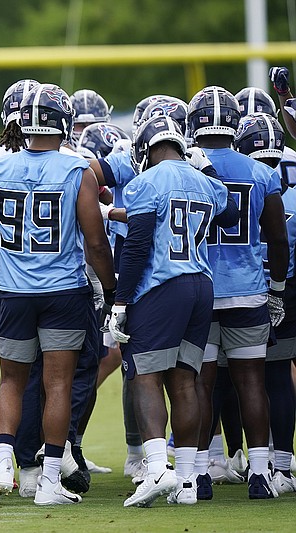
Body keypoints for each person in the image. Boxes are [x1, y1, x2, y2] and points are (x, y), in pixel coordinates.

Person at [0, 84, 116, 506]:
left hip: (11, 290)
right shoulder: (77, 170)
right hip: (63, 289)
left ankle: (4, 463)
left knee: (11, 380)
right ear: (63, 122)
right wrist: (112, 287)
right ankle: (47, 481)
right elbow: (96, 242)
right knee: (57, 383)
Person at [109, 116, 238, 507]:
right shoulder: (203, 180)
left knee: (145, 374)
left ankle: (155, 469)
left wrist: (120, 299)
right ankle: (185, 481)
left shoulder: (147, 181)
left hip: (163, 286)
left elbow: (137, 245)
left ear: (146, 149)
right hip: (201, 285)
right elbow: (230, 212)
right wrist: (206, 165)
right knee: (185, 381)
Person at [187, 85, 288, 500]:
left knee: (199, 383)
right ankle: (261, 473)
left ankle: (200, 472)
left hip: (202, 290)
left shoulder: (187, 169)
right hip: (248, 289)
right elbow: (278, 241)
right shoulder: (262, 172)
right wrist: (277, 289)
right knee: (251, 382)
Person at [234, 112, 296, 494]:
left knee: (255, 378)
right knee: (270, 378)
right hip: (284, 281)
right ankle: (280, 465)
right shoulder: (276, 177)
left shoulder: (231, 175)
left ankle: (208, 466)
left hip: (252, 284)